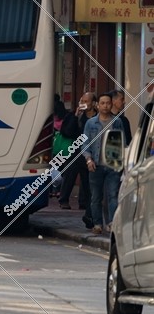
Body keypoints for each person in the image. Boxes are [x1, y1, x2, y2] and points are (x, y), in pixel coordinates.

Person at [85, 92, 129, 235]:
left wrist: (122, 162)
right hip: (96, 165)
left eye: (108, 103)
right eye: (102, 103)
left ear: (111, 104)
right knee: (96, 197)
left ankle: (112, 223)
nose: (105, 106)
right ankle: (98, 224)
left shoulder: (117, 122)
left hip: (113, 165)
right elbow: (85, 144)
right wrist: (89, 159)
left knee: (112, 195)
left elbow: (122, 143)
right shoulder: (91, 123)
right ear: (97, 105)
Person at [61, 91, 96, 225]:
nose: (83, 104)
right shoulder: (74, 116)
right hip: (75, 150)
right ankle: (64, 199)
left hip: (90, 152)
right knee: (70, 174)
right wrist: (76, 116)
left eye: (86, 101)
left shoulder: (96, 118)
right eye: (82, 101)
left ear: (93, 104)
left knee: (87, 180)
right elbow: (68, 132)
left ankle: (85, 203)